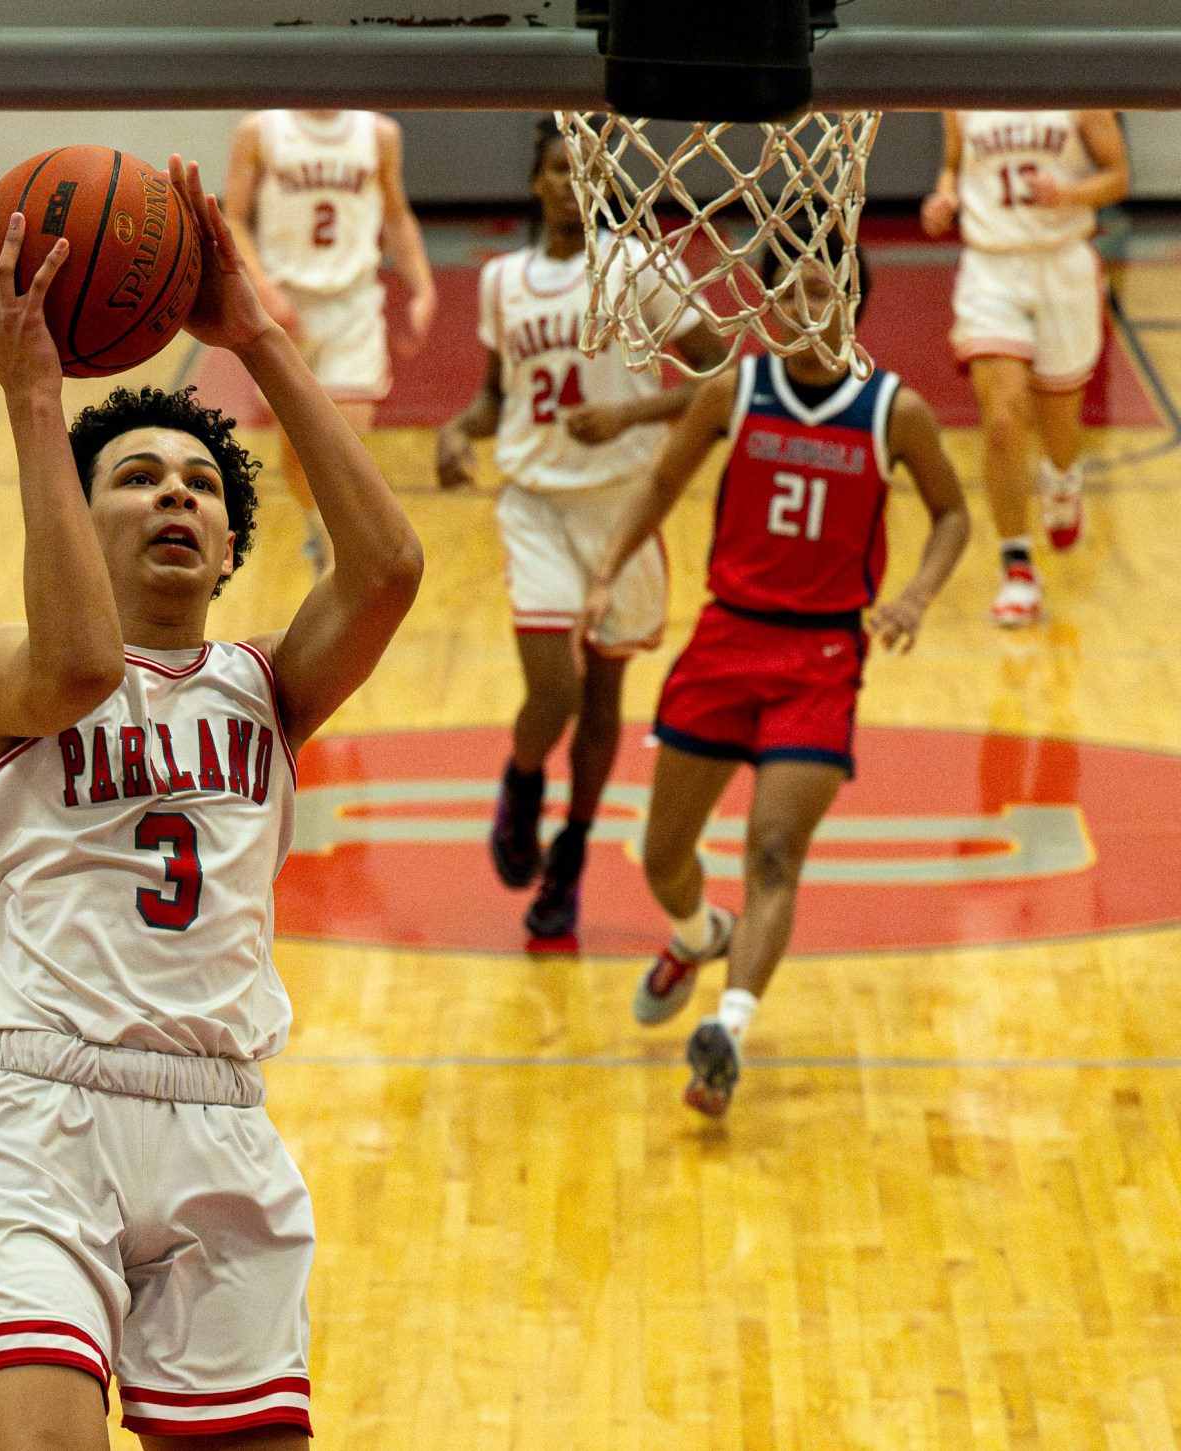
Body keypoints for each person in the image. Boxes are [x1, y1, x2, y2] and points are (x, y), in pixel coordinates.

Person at [0, 158, 422, 1448]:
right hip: (36, 1123)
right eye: (132, 476)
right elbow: (79, 667)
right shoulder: (0, 674)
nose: (173, 489)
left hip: (220, 1129)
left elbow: (388, 566)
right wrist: (31, 398)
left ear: (231, 546)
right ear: (78, 509)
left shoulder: (264, 690)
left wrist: (259, 337)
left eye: (197, 482)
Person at [581, 245, 970, 1117]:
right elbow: (661, 480)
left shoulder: (893, 410)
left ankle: (729, 1029)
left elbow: (954, 513)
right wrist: (608, 568)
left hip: (823, 657)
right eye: (784, 293)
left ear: (852, 305)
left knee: (771, 851)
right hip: (725, 641)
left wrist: (914, 595)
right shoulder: (734, 390)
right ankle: (695, 936)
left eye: (818, 293)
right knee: (661, 856)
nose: (797, 308)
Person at [437, 119, 727, 940]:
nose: (572, 182)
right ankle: (523, 781)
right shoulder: (501, 280)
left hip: (625, 506)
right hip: (534, 503)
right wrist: (461, 430)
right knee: (554, 691)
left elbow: (722, 372)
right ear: (537, 180)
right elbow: (498, 397)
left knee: (603, 698)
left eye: (586, 172)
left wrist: (633, 410)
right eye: (559, 168)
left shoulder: (637, 266)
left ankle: (571, 853)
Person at [920, 110, 1129, 627]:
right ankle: (1016, 567)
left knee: (1060, 431)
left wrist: (1070, 194)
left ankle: (1061, 478)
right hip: (990, 268)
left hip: (1063, 264)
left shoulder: (1078, 91)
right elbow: (953, 166)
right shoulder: (964, 95)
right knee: (1004, 418)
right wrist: (943, 197)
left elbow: (1119, 177)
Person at [223, 108, 436, 574]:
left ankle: (341, 552)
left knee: (345, 449)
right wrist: (264, 289)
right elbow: (233, 219)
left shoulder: (379, 133)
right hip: (287, 307)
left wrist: (422, 286)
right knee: (298, 455)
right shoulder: (260, 130)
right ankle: (317, 525)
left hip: (353, 306)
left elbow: (397, 217)